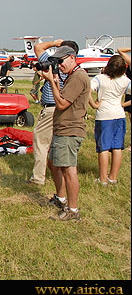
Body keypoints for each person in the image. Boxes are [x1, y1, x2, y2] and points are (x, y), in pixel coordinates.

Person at [40, 45, 91, 221]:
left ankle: (73, 209)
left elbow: (62, 104)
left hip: (69, 130)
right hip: (62, 128)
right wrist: (56, 81)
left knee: (69, 170)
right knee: (54, 163)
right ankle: (61, 199)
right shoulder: (72, 76)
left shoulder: (78, 77)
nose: (59, 65)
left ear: (71, 58)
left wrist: (53, 82)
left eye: (61, 61)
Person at [26, 39, 75, 187]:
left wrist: (55, 43)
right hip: (64, 109)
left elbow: (38, 47)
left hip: (51, 108)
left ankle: (38, 177)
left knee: (41, 141)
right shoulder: (75, 71)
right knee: (57, 143)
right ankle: (57, 172)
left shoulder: (54, 63)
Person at [89, 55, 131, 185]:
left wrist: (94, 105)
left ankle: (102, 178)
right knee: (117, 147)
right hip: (119, 114)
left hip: (104, 115)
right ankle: (113, 177)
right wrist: (123, 105)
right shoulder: (125, 80)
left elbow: (87, 91)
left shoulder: (100, 79)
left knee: (104, 148)